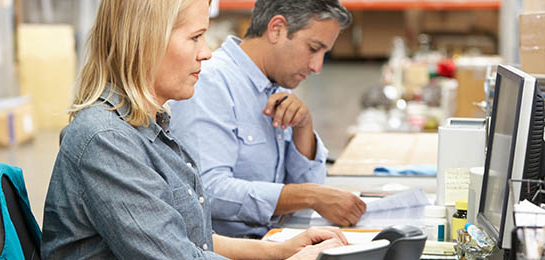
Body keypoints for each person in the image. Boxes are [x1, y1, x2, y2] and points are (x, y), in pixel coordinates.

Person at [40, 0, 348, 259]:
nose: (207, 53)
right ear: (148, 39)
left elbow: (189, 240)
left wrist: (280, 251)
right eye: (196, 37)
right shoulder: (107, 140)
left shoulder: (150, 126)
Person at [168, 0, 366, 238]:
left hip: (276, 239)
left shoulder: (277, 86)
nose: (317, 67)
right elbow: (207, 190)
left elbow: (313, 195)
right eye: (313, 48)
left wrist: (303, 129)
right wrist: (309, 196)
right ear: (277, 29)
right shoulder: (210, 82)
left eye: (324, 54)